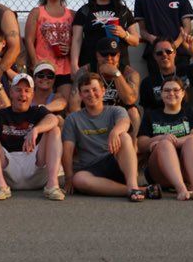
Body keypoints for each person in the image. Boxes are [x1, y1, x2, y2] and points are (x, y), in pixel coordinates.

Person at [0, 71, 65, 200]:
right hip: (8, 169)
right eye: (18, 90)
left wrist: (36, 130)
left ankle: (53, 185)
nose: (22, 94)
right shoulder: (1, 114)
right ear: (11, 93)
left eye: (27, 90)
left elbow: (53, 119)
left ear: (32, 95)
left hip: (35, 166)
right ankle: (0, 186)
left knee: (54, 130)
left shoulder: (38, 110)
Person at [61, 71, 144, 201]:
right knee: (79, 180)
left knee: (125, 137)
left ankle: (133, 185)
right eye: (86, 91)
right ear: (81, 95)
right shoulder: (73, 119)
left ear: (103, 91)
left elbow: (125, 122)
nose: (91, 94)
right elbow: (67, 150)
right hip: (91, 169)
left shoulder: (116, 110)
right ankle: (136, 190)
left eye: (95, 90)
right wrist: (69, 177)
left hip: (116, 162)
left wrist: (115, 131)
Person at [141, 79, 193, 202]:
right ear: (161, 94)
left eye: (176, 90)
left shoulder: (192, 112)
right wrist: (161, 139)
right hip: (161, 171)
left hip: (192, 169)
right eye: (166, 90)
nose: (171, 93)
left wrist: (172, 141)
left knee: (192, 141)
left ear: (183, 93)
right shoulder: (151, 115)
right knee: (165, 144)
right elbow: (141, 143)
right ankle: (181, 188)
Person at [70, 0, 140, 72]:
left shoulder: (123, 11)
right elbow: (77, 40)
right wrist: (74, 64)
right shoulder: (84, 11)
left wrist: (124, 34)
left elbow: (136, 41)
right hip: (91, 63)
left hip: (118, 64)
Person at [71, 38, 142, 136]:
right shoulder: (85, 71)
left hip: (119, 116)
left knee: (133, 112)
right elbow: (74, 104)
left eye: (113, 54)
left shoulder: (130, 73)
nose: (109, 58)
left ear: (118, 55)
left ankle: (134, 147)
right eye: (104, 54)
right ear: (97, 55)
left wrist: (116, 74)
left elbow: (130, 100)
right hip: (91, 113)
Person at [24, 0, 74, 100]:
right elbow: (29, 40)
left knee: (65, 102)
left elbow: (77, 40)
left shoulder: (72, 14)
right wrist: (35, 63)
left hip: (64, 68)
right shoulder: (37, 12)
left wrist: (69, 48)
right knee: (43, 104)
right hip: (43, 67)